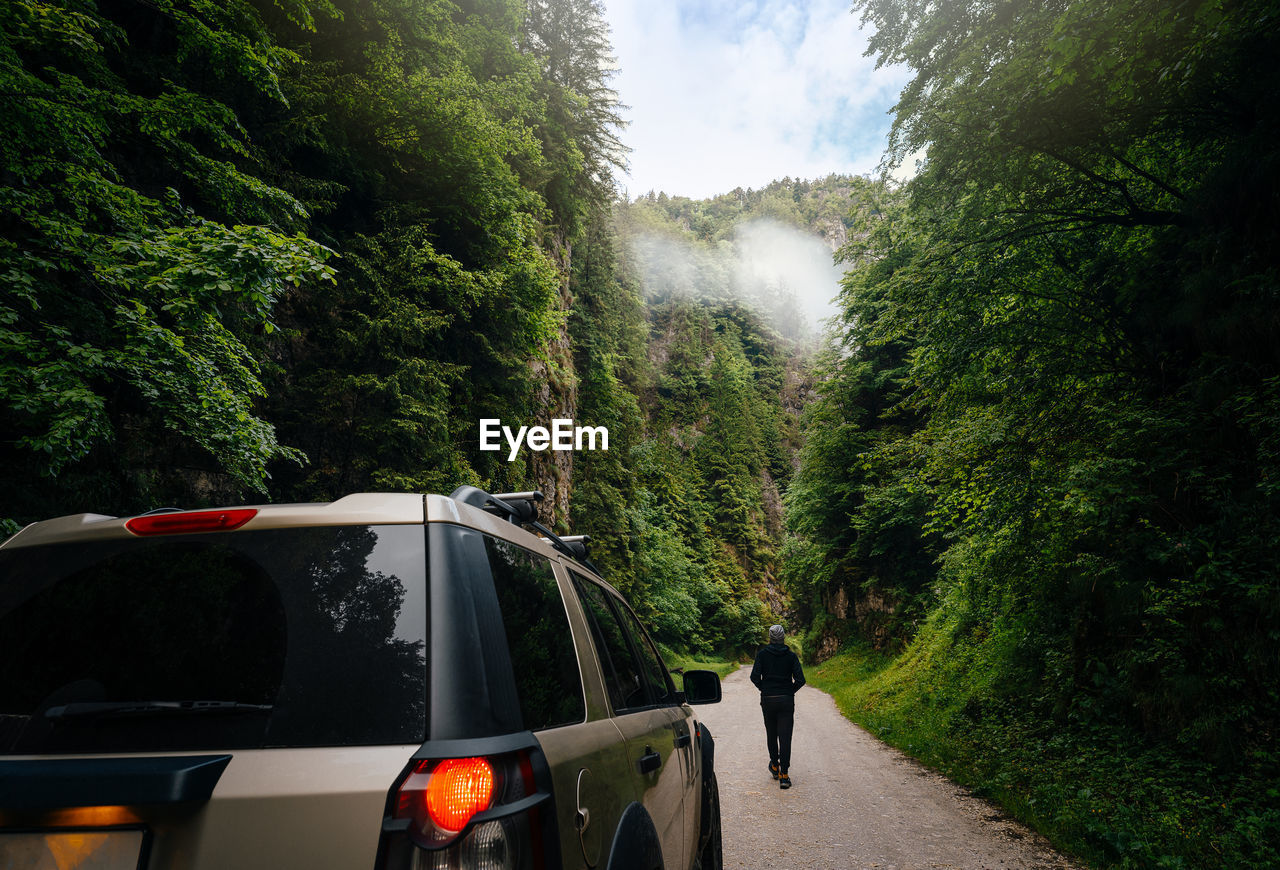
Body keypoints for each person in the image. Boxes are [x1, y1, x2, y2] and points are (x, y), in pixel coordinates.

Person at [749, 624, 805, 789]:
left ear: (770, 638)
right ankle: (785, 776)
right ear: (783, 638)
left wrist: (764, 689)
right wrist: (789, 691)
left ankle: (774, 766)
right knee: (785, 737)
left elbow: (754, 677)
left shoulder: (762, 655)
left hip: (768, 700)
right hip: (786, 700)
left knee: (771, 734)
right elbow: (801, 680)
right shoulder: (791, 656)